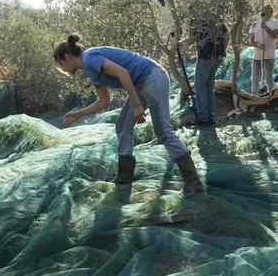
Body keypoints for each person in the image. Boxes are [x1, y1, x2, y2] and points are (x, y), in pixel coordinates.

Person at [54, 35, 203, 194]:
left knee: (163, 131)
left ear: (67, 57)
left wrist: (137, 105)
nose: (62, 69)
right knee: (122, 125)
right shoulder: (89, 71)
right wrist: (78, 114)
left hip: (152, 76)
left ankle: (192, 180)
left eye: (61, 64)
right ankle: (124, 176)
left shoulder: (90, 57)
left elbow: (123, 73)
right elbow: (104, 101)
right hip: (139, 84)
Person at [177, 10, 229, 126]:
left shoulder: (196, 20)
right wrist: (222, 51)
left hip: (205, 56)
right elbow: (227, 36)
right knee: (209, 86)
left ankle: (203, 118)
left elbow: (191, 39)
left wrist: (179, 43)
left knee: (200, 86)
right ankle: (210, 116)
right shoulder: (215, 16)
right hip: (217, 57)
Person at [249, 5, 278, 95]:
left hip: (268, 56)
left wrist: (266, 28)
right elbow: (251, 41)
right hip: (257, 56)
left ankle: (270, 98)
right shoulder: (255, 24)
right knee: (255, 80)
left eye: (268, 12)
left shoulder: (274, 23)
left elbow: (274, 36)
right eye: (265, 12)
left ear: (271, 13)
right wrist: (258, 45)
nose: (266, 14)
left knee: (268, 79)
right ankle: (254, 98)